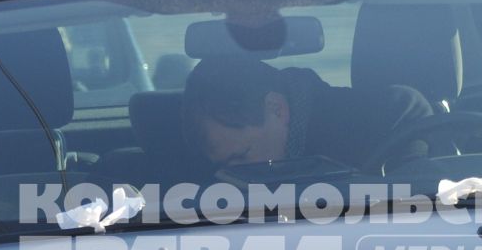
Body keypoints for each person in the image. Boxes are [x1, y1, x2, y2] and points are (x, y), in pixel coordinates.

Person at [181, 54, 430, 171]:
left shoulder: (386, 117)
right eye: (224, 167)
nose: (233, 175)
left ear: (277, 110)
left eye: (243, 156)